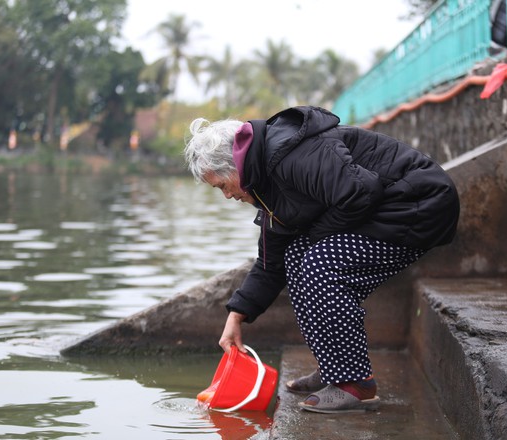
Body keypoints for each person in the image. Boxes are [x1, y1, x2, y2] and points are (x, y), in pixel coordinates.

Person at [184, 106, 459, 414]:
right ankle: (334, 368)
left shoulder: (292, 154)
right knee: (295, 256)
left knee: (319, 263)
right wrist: (236, 317)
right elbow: (270, 263)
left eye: (222, 185)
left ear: (234, 164)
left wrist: (313, 236)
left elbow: (359, 192)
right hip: (383, 213)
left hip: (419, 205)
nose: (227, 195)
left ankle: (356, 384)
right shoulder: (264, 184)